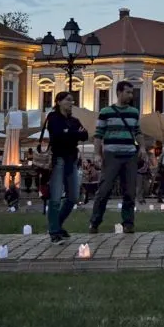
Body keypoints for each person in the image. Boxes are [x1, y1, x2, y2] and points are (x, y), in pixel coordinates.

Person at [88, 81, 144, 234]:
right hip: (111, 154)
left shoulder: (134, 112)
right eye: (128, 92)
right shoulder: (106, 112)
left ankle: (128, 223)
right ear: (119, 92)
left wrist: (143, 148)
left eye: (132, 93)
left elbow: (138, 132)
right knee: (104, 189)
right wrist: (97, 154)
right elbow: (98, 134)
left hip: (130, 154)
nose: (131, 96)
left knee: (129, 191)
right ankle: (94, 222)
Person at [40, 92, 89, 243]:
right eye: (68, 100)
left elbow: (85, 135)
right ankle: (54, 231)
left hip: (72, 160)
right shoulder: (53, 118)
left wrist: (69, 133)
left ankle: (57, 225)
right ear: (59, 102)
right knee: (55, 198)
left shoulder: (74, 120)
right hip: (58, 160)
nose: (71, 102)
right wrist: (74, 134)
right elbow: (57, 136)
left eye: (72, 100)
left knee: (73, 197)